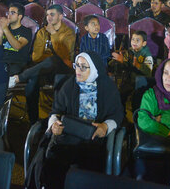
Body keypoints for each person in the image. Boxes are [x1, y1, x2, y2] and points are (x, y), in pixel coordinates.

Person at [37, 52, 124, 189]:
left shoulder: (107, 87)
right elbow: (55, 111)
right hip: (69, 135)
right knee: (53, 165)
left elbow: (117, 114)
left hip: (93, 138)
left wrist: (105, 127)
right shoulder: (69, 85)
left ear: (94, 69)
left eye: (84, 67)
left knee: (87, 169)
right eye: (76, 66)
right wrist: (54, 124)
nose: (78, 70)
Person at [8, 4, 76, 124]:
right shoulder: (42, 32)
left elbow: (64, 56)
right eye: (47, 15)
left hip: (63, 68)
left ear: (60, 16)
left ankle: (19, 78)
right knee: (32, 80)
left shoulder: (68, 33)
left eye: (52, 14)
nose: (49, 18)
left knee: (53, 60)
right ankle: (33, 121)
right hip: (44, 68)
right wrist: (47, 57)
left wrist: (54, 34)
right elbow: (36, 56)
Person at [109, 30, 154, 107]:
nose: (134, 42)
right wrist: (120, 61)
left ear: (144, 43)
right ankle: (122, 116)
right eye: (133, 39)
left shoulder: (147, 55)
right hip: (130, 79)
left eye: (138, 40)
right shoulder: (130, 51)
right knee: (120, 95)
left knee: (136, 101)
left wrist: (138, 65)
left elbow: (148, 73)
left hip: (142, 82)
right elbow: (126, 64)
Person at [0, 3, 32, 75]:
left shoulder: (26, 31)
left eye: (12, 13)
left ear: (20, 16)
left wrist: (5, 29)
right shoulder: (5, 29)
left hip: (16, 63)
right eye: (8, 12)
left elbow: (17, 46)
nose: (8, 15)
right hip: (1, 61)